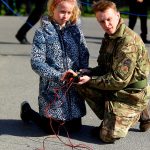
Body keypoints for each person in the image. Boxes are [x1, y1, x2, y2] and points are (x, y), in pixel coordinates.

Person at [62, 0, 150, 143]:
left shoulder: (127, 42)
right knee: (79, 82)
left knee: (107, 136)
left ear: (118, 15)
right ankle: (113, 115)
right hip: (118, 89)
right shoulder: (110, 36)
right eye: (102, 21)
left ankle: (139, 112)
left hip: (131, 94)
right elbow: (104, 67)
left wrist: (91, 80)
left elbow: (118, 80)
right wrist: (88, 72)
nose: (106, 25)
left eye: (109, 19)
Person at [20, 0, 89, 134]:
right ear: (53, 9)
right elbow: (36, 62)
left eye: (69, 12)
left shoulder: (76, 32)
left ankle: (68, 117)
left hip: (73, 88)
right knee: (52, 130)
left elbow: (84, 55)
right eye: (62, 12)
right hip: (53, 89)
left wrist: (80, 73)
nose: (65, 16)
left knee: (75, 128)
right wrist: (58, 76)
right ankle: (27, 111)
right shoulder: (43, 32)